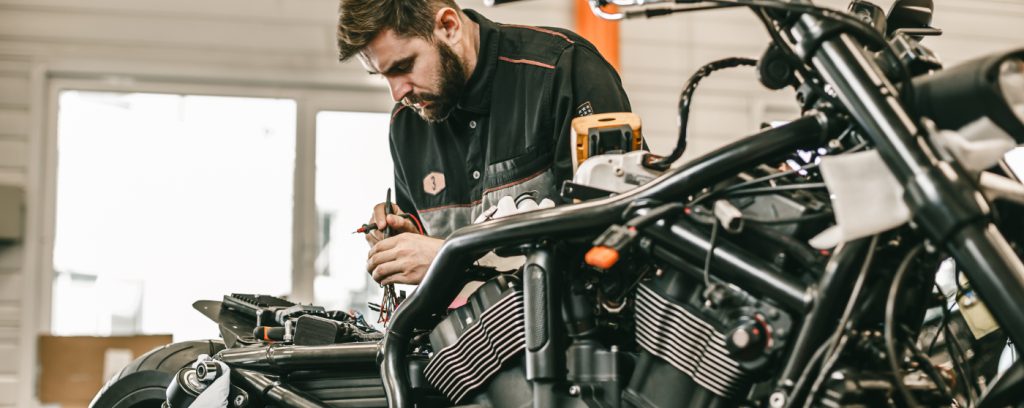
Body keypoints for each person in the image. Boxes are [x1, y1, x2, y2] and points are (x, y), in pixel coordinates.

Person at [336, 0, 632, 286]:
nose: (397, 93)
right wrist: (409, 235)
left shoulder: (563, 70)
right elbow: (426, 248)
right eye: (383, 75)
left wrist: (450, 257)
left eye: (404, 66)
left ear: (449, 26)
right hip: (471, 335)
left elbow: (615, 235)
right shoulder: (406, 123)